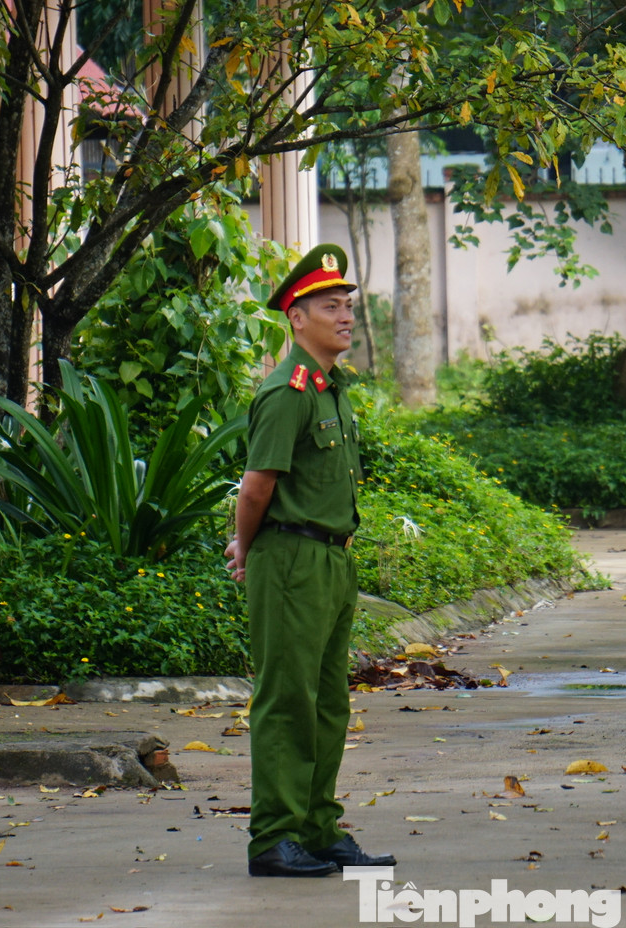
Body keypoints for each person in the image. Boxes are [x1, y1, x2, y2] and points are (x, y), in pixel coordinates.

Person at [223, 244, 395, 878]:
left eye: (347, 305)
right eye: (330, 306)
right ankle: (273, 838)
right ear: (296, 317)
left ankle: (318, 829)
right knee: (286, 700)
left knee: (327, 703)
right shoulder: (288, 390)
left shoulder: (331, 388)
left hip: (331, 561)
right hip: (291, 558)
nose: (345, 315)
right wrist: (245, 546)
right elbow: (257, 485)